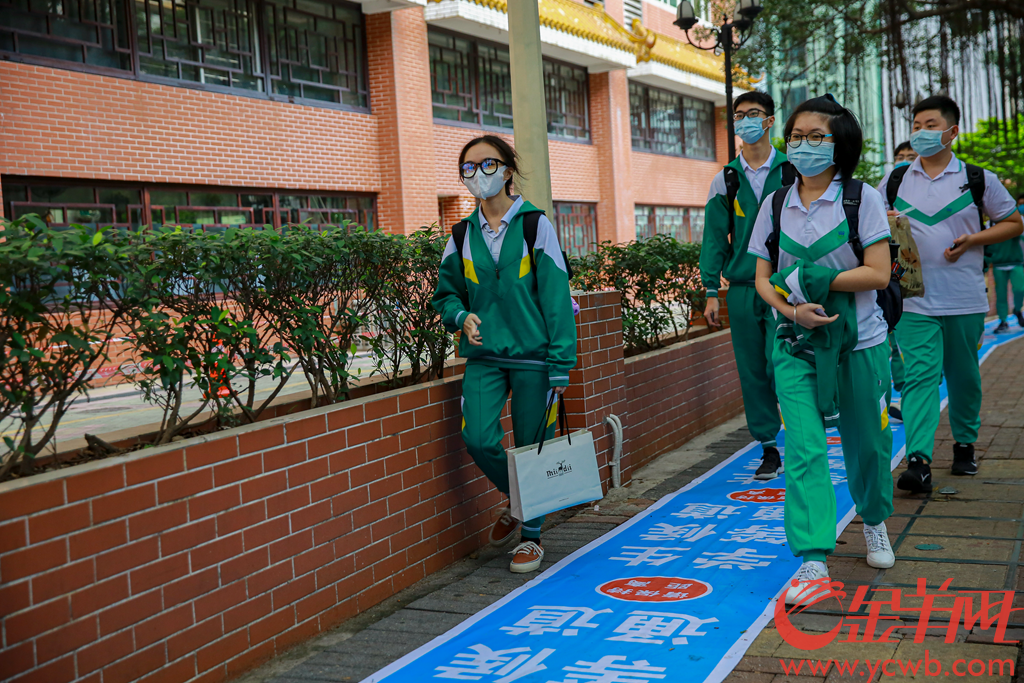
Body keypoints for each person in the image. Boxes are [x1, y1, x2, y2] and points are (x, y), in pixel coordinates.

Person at [749, 95, 896, 602]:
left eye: (817, 136)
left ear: (840, 144)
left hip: (861, 346)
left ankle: (874, 519)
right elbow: (762, 278)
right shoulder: (775, 203)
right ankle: (813, 557)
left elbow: (878, 273)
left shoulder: (862, 199)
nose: (803, 145)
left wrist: (820, 282)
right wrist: (793, 311)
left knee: (868, 446)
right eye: (796, 136)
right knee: (806, 450)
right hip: (795, 345)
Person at [431, 136, 577, 574]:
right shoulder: (461, 235)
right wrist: (461, 318)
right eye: (469, 168)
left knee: (533, 448)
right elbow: (446, 296)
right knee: (477, 437)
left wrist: (560, 363)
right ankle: (519, 501)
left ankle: (531, 537)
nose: (478, 175)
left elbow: (556, 297)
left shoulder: (535, 226)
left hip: (534, 357)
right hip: (485, 357)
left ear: (508, 170)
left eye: (487, 165)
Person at [879, 96, 1023, 491]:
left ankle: (964, 444)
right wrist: (886, 222)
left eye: (929, 125)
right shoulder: (895, 180)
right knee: (920, 376)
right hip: (913, 300)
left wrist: (974, 238)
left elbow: (1013, 223)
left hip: (965, 297)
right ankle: (919, 460)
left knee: (963, 375)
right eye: (916, 125)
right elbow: (869, 227)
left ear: (951, 131)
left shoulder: (978, 178)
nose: (920, 133)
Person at [700, 92, 794, 480]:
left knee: (783, 362)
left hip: (786, 286)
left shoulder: (793, 170)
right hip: (741, 288)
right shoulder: (725, 179)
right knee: (752, 370)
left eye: (753, 115)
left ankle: (806, 432)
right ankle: (769, 447)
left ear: (770, 121)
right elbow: (712, 236)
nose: (745, 122)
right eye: (739, 116)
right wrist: (709, 290)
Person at [880, 141, 918, 421]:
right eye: (900, 157)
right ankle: (901, 392)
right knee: (891, 339)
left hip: (921, 281)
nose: (904, 161)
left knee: (912, 343)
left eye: (910, 157)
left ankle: (913, 390)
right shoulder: (887, 185)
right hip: (892, 275)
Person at [985, 194, 1024, 334]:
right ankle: (1003, 321)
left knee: (1020, 289)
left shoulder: (1016, 221)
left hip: (1016, 262)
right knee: (1000, 295)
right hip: (998, 265)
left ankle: (1017, 310)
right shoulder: (988, 225)